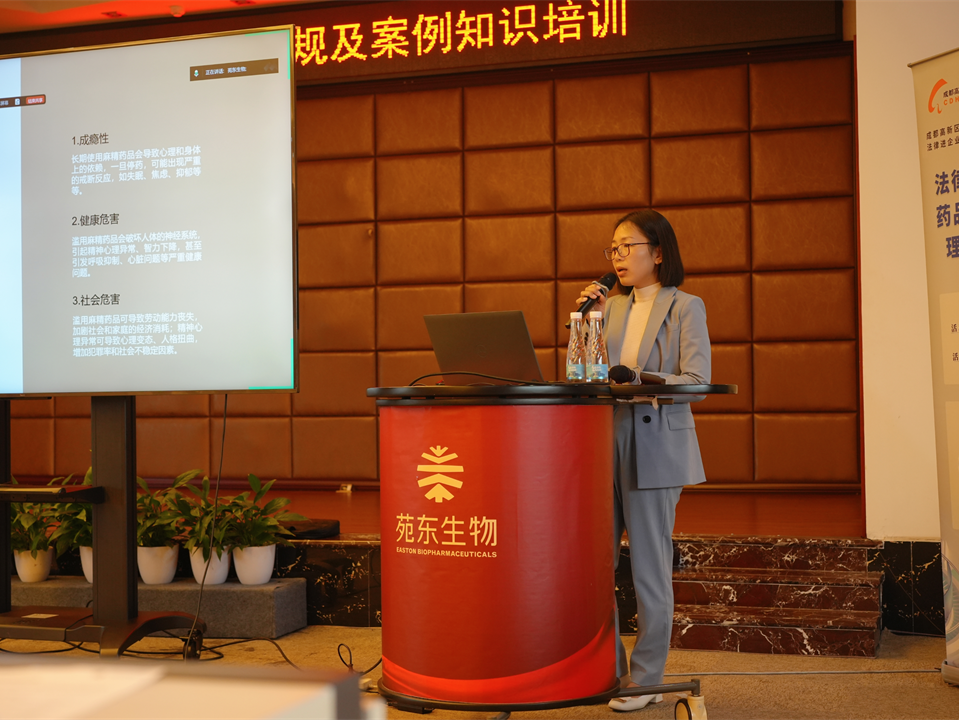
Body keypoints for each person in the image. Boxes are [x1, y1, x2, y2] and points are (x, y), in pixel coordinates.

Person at [576, 209, 710, 712]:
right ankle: (609, 670)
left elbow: (697, 381)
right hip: (604, 442)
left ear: (657, 252)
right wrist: (585, 322)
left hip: (654, 441)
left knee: (650, 570)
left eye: (627, 246)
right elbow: (583, 375)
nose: (618, 257)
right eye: (613, 248)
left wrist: (644, 380)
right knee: (595, 566)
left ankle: (648, 678)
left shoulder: (685, 306)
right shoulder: (608, 308)